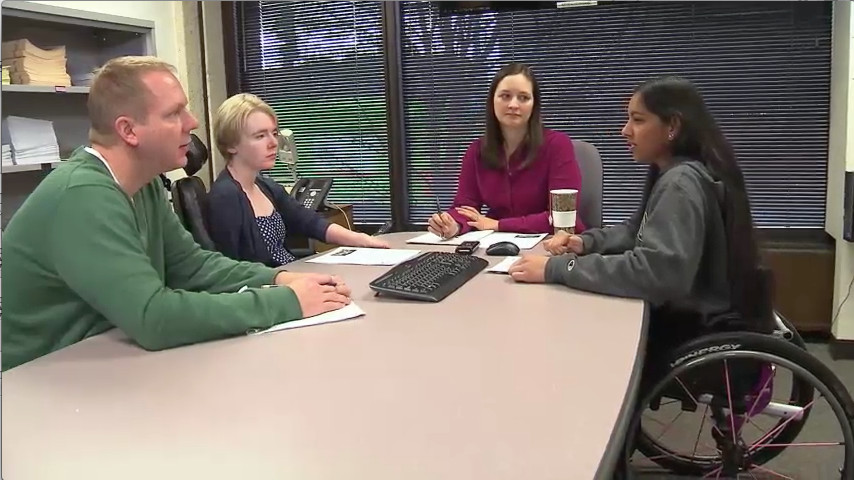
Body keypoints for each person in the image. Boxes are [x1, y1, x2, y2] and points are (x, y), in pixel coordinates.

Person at [1, 56, 352, 371]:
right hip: (41, 382)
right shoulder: (82, 195)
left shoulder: (147, 184)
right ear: (128, 130)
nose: (193, 122)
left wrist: (275, 279)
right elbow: (154, 317)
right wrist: (286, 302)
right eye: (174, 113)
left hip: (103, 364)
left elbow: (193, 266)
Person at [509, 75, 775, 356]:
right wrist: (586, 243)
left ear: (672, 126)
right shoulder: (678, 172)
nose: (625, 131)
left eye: (637, 120)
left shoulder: (680, 184)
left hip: (691, 326)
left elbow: (655, 273)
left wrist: (558, 269)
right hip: (701, 313)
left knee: (569, 330)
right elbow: (636, 231)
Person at [207, 93, 389, 268]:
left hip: (290, 276)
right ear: (231, 145)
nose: (273, 143)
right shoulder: (226, 196)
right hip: (270, 289)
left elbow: (310, 222)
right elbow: (231, 269)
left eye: (274, 133)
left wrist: (362, 240)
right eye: (260, 136)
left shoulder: (265, 186)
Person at [427, 62, 585, 239]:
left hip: (553, 245)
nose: (513, 104)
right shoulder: (477, 151)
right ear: (492, 101)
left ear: (534, 105)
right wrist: (452, 224)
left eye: (523, 98)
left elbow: (561, 216)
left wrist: (498, 224)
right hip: (496, 243)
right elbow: (465, 207)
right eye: (505, 96)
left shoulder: (557, 145)